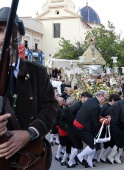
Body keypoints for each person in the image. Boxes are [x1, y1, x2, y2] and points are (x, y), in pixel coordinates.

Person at [0, 7, 57, 169]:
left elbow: (50, 107)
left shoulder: (38, 72)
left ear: (20, 36)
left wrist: (30, 133)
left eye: (11, 32)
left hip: (30, 160)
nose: (5, 38)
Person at [73, 90, 109, 168]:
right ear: (100, 96)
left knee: (94, 144)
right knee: (93, 145)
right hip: (81, 127)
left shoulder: (91, 100)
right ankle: (79, 156)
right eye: (105, 99)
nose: (105, 101)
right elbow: (95, 122)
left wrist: (101, 118)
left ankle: (90, 162)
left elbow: (93, 116)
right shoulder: (95, 105)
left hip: (81, 125)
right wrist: (102, 125)